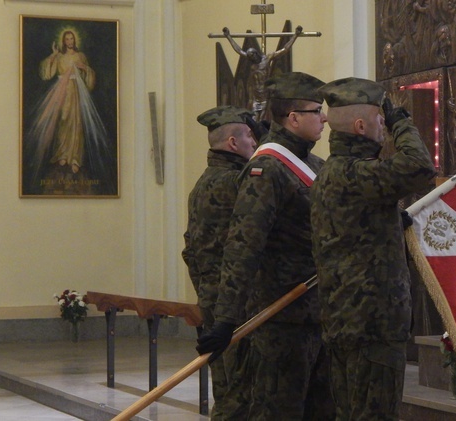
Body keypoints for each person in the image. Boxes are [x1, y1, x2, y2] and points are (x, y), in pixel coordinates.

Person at [197, 72, 334, 420]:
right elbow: (243, 245)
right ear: (293, 118)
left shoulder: (316, 164)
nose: (325, 117)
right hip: (281, 319)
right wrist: (226, 317)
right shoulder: (267, 169)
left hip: (319, 313)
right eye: (317, 110)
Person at [311, 77, 437, 420]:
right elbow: (420, 166)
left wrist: (392, 220)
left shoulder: (331, 172)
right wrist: (403, 122)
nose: (385, 125)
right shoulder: (359, 173)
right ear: (361, 125)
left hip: (344, 320)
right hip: (373, 324)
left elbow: (354, 231)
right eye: (381, 119)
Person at [182, 105, 261, 420]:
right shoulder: (239, 183)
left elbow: (191, 249)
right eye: (251, 138)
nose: (255, 144)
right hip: (238, 304)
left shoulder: (202, 184)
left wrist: (205, 291)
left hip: (212, 299)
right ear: (233, 143)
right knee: (242, 397)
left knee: (227, 390)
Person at [25, 29, 116, 194]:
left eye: (71, 38)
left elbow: (90, 78)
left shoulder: (80, 56)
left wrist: (85, 69)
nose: (69, 41)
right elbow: (46, 73)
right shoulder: (59, 57)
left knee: (76, 122)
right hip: (61, 92)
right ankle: (62, 155)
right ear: (63, 41)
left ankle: (75, 158)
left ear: (75, 40)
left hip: (75, 92)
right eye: (66, 39)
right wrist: (53, 55)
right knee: (63, 121)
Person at [223, 25, 303, 114]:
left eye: (252, 55)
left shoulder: (267, 58)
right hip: (256, 96)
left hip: (265, 95)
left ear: (256, 53)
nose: (252, 58)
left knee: (262, 118)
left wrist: (295, 35)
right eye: (250, 57)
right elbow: (239, 50)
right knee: (254, 119)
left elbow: (285, 49)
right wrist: (228, 36)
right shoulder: (252, 61)